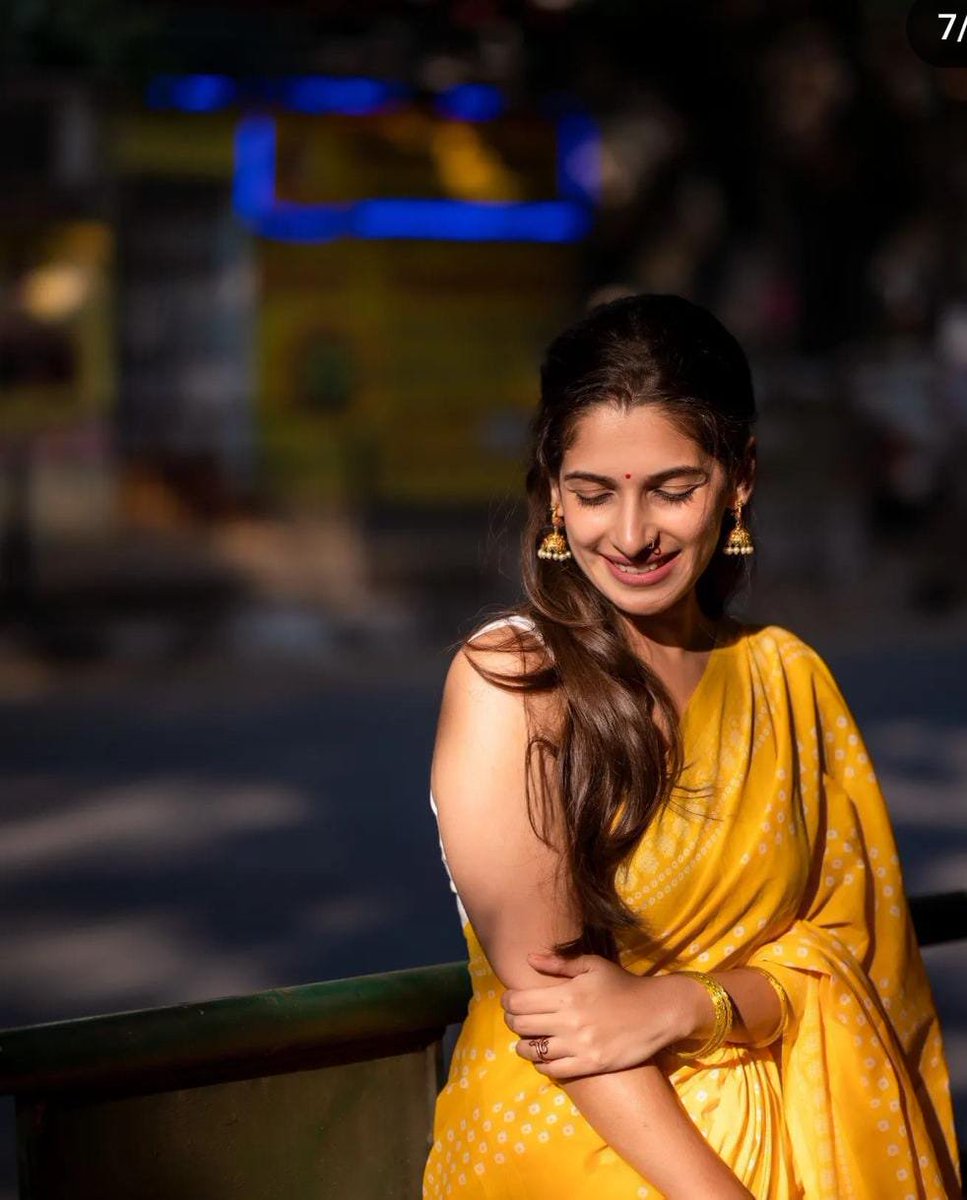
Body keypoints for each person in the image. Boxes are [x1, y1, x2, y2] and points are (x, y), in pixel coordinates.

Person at [422, 294, 961, 1199]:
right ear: (554, 487)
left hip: (798, 1154)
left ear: (738, 477)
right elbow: (564, 1022)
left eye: (672, 489)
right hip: (580, 1162)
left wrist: (685, 1004)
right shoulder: (514, 681)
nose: (631, 536)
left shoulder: (783, 678)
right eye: (594, 493)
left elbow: (846, 953)